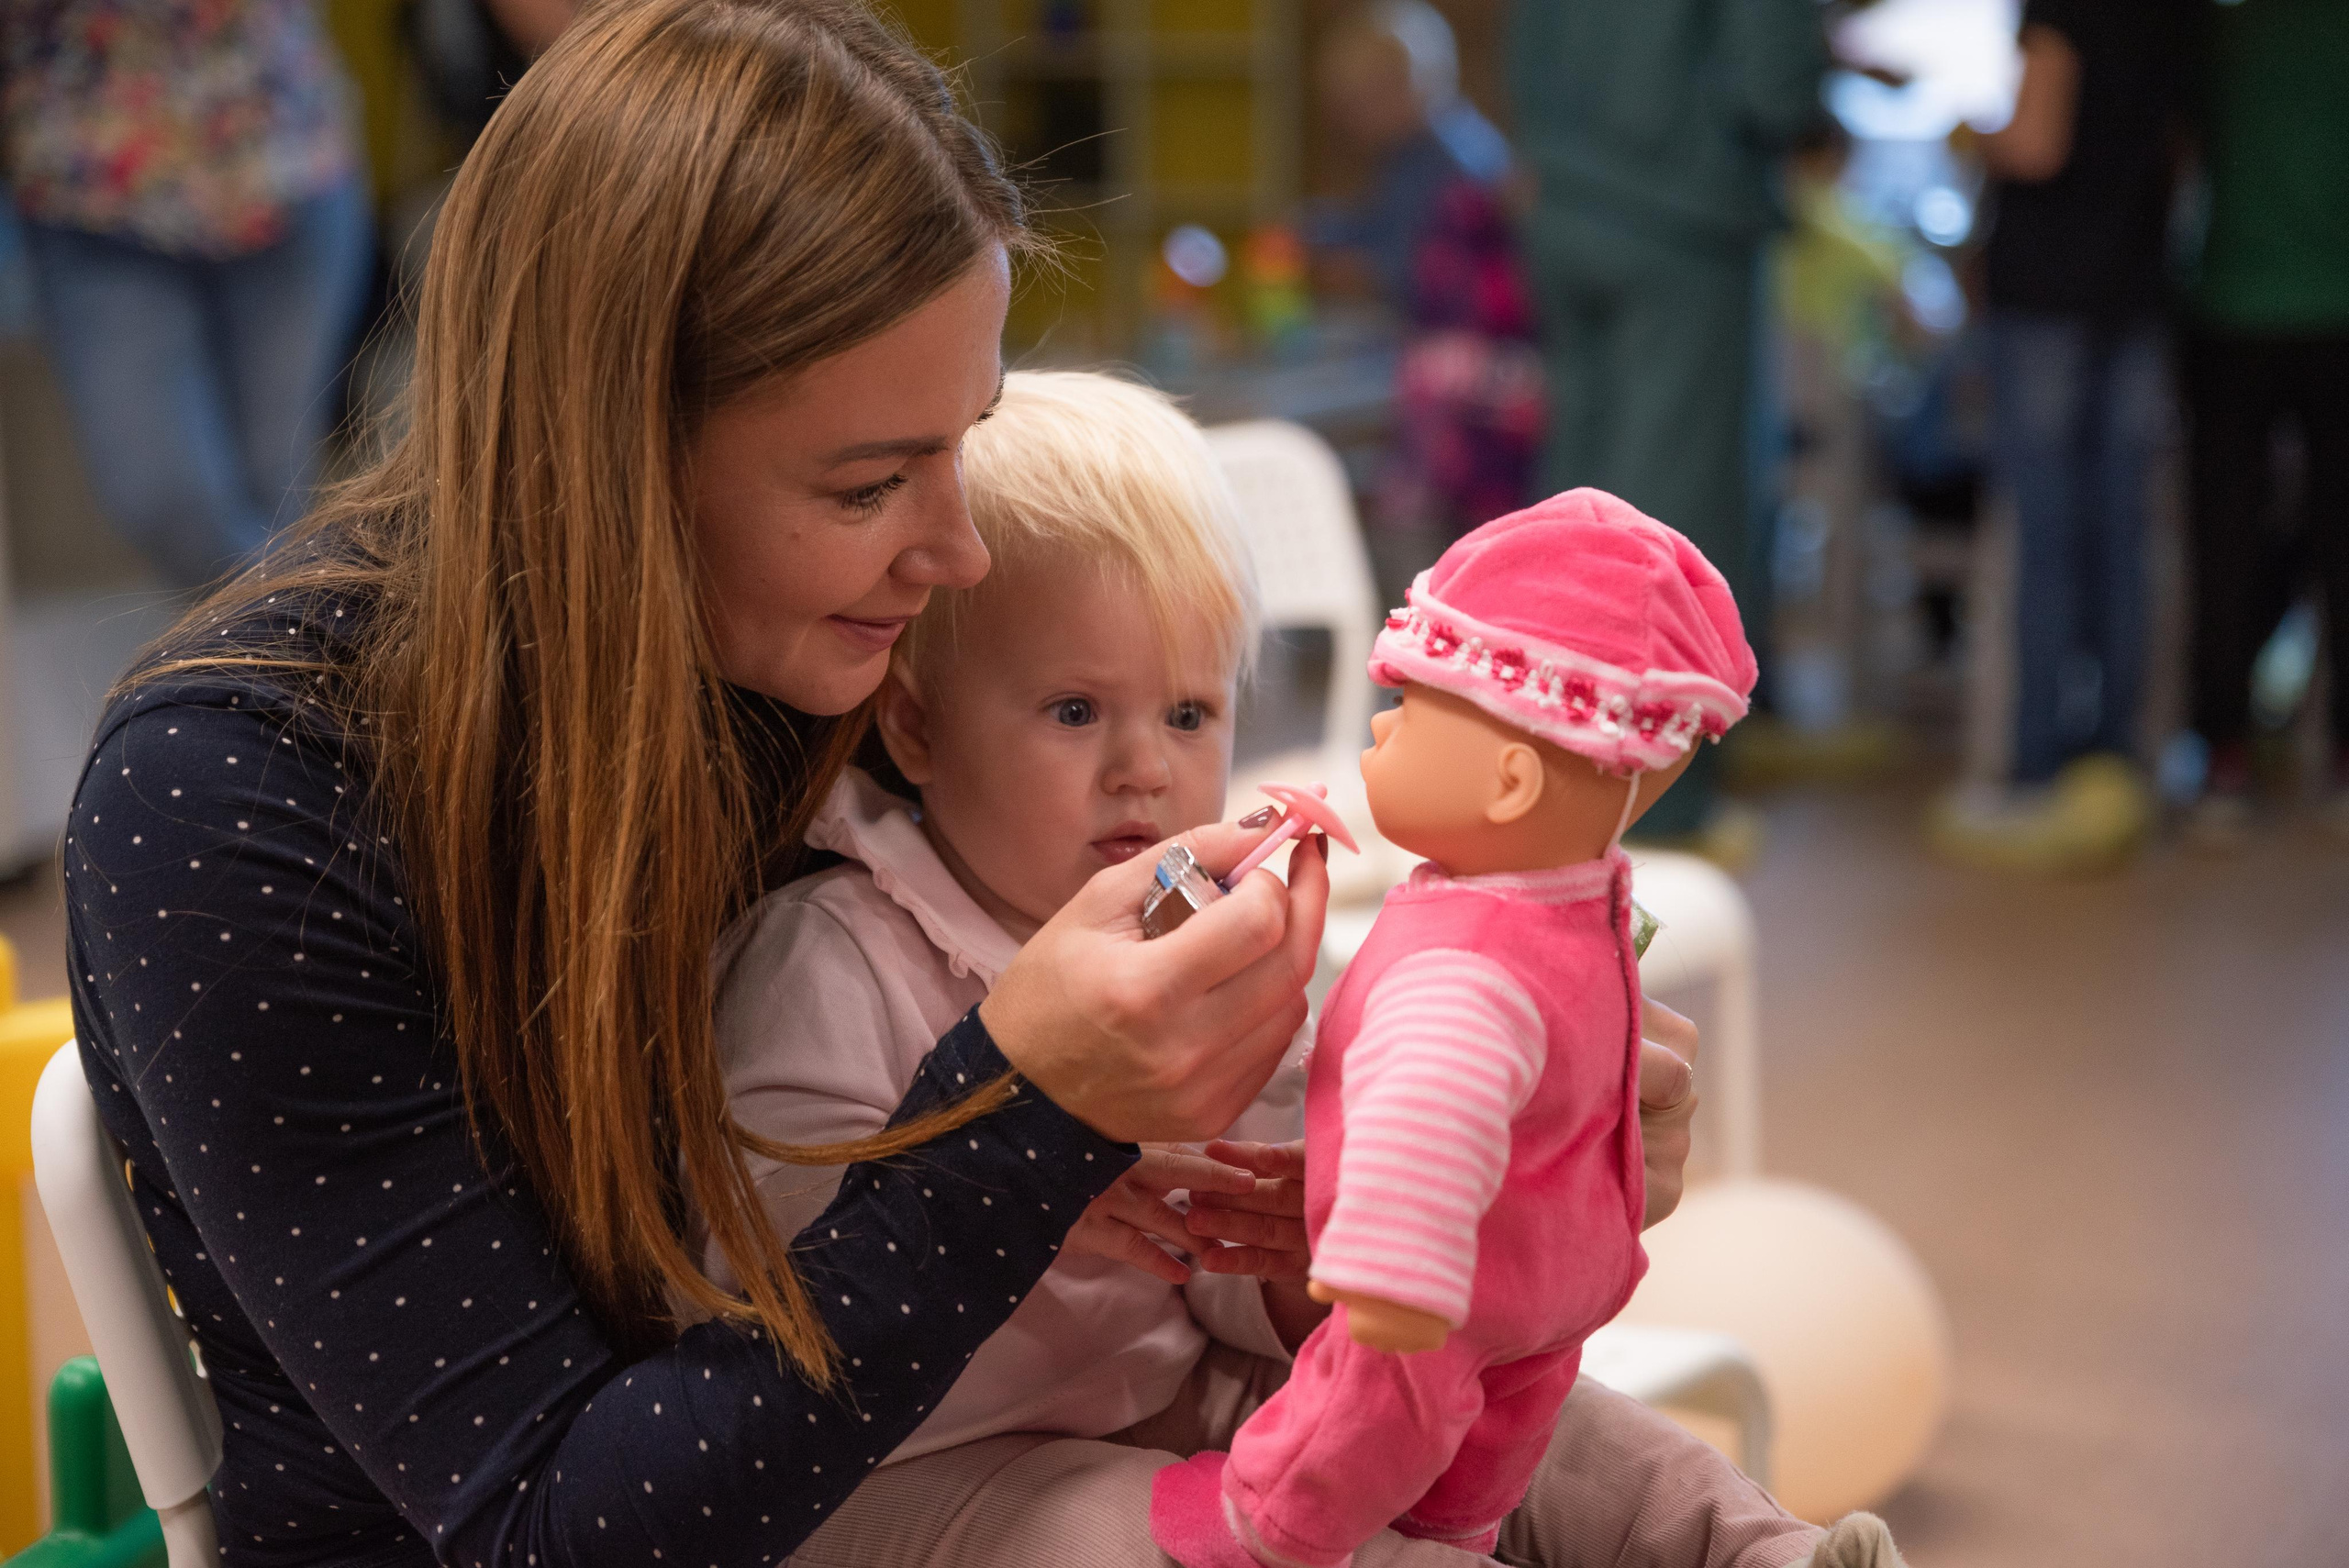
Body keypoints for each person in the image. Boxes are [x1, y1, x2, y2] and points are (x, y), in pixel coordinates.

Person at [53, 6, 1697, 1564]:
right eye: (866, 483)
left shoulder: (799, 654)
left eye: (962, 441)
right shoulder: (231, 802)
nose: (959, 548)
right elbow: (550, 1525)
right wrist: (1024, 1110)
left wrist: (1526, 1128)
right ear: (614, 456)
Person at [723, 373, 1891, 1567]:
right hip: (915, 1468)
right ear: (916, 727)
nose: (1142, 768)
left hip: (1170, 1392)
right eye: (1074, 710)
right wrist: (1024, 1190)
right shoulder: (838, 948)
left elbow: (1263, 1281)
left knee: (1534, 1421)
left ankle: (1760, 1551)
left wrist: (1357, 1242)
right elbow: (758, 1279)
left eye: (1187, 713)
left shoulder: (1215, 935)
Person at [1507, 0, 1826, 860]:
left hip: (1567, 202)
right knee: (1676, 506)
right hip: (1679, 214)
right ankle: (1659, 802)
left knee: (1577, 503)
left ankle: (1548, 762)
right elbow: (1776, 83)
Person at [1929, 0, 2195, 873]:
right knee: (2123, 530)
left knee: (2043, 534)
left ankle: (2034, 769)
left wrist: (1970, 132)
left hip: (2047, 295)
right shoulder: (2178, 18)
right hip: (2139, 289)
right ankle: (2118, 760)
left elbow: (2035, 141)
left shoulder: (2060, 9)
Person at [1, 0, 374, 590]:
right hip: (95, 198)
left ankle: (289, 658)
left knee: (274, 491)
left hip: (285, 166)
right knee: (165, 498)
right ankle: (310, 654)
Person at [2177, 0, 2349, 850]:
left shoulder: (2220, 29)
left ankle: (2224, 760)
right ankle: (2337, 759)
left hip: (2231, 308)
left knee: (2225, 538)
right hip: (2326, 310)